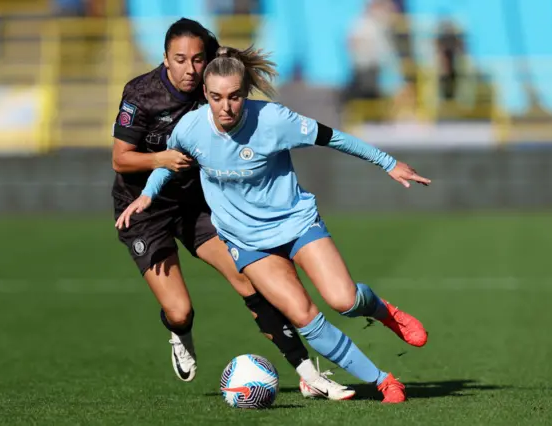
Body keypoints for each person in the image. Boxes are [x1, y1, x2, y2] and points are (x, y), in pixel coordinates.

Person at [116, 44, 432, 403]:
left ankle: (383, 311)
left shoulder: (274, 120)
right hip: (247, 242)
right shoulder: (190, 128)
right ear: (205, 94)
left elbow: (334, 138)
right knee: (303, 316)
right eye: (217, 97)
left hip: (296, 224)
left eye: (234, 96)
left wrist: (388, 163)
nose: (226, 107)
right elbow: (168, 162)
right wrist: (148, 195)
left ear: (245, 93)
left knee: (344, 300)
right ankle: (383, 381)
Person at [111, 18, 354, 400]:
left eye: (197, 59)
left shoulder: (214, 84)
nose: (191, 69)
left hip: (197, 205)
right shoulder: (140, 93)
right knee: (180, 311)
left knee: (248, 280)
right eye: (180, 59)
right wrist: (163, 159)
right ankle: (179, 331)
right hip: (145, 208)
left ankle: (307, 372)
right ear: (165, 59)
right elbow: (121, 160)